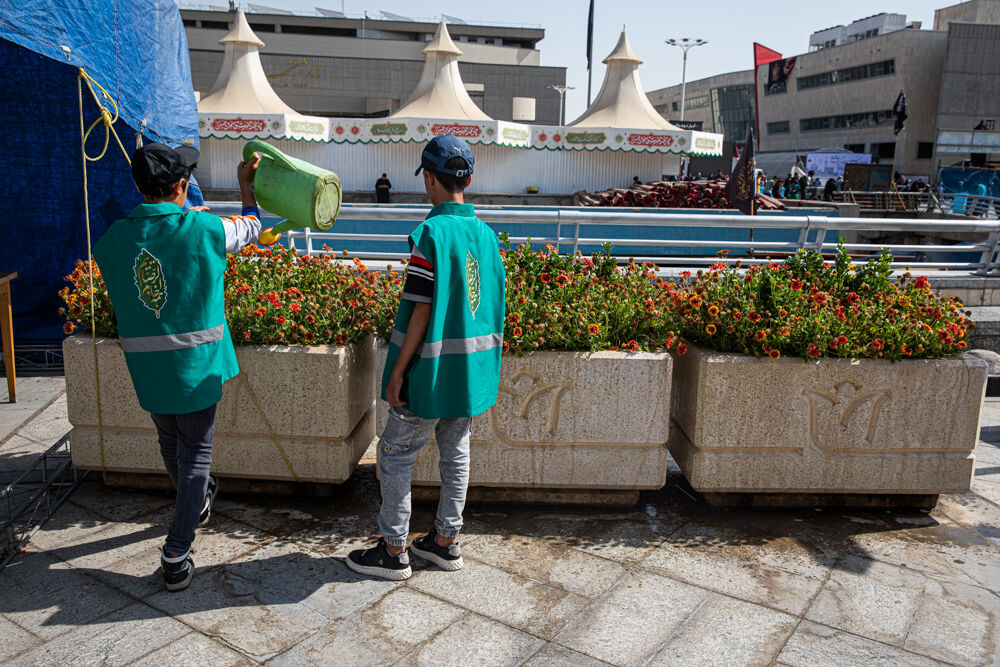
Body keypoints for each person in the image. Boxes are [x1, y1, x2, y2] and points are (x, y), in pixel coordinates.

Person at [93, 143, 262, 592]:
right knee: (197, 456)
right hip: (197, 367)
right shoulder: (204, 228)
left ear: (136, 186)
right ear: (182, 185)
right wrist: (246, 188)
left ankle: (196, 502)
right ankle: (176, 550)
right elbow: (250, 227)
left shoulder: (111, 240)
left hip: (149, 369)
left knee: (170, 444)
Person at [346, 135, 505, 581]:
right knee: (456, 453)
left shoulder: (430, 234)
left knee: (395, 455)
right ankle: (445, 542)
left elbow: (422, 309)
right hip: (470, 373)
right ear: (469, 180)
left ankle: (395, 549)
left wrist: (397, 373)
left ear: (428, 179)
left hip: (429, 373)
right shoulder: (488, 237)